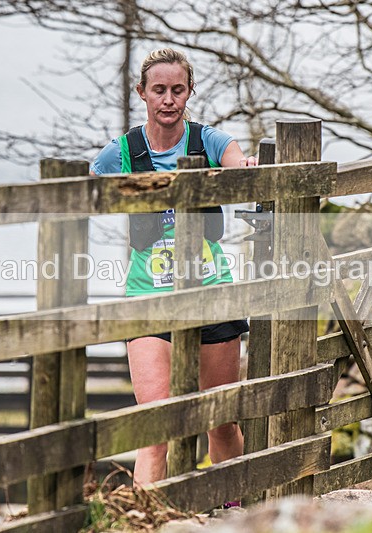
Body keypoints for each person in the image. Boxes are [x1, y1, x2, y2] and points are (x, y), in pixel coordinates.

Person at [92, 48, 256, 485]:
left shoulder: (210, 141)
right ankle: (148, 519)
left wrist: (246, 169)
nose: (168, 99)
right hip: (149, 299)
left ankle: (232, 511)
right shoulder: (122, 151)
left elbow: (238, 165)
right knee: (156, 429)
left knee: (220, 420)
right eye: (159, 90)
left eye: (177, 90)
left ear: (189, 93)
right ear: (142, 93)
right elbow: (84, 189)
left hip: (212, 293)